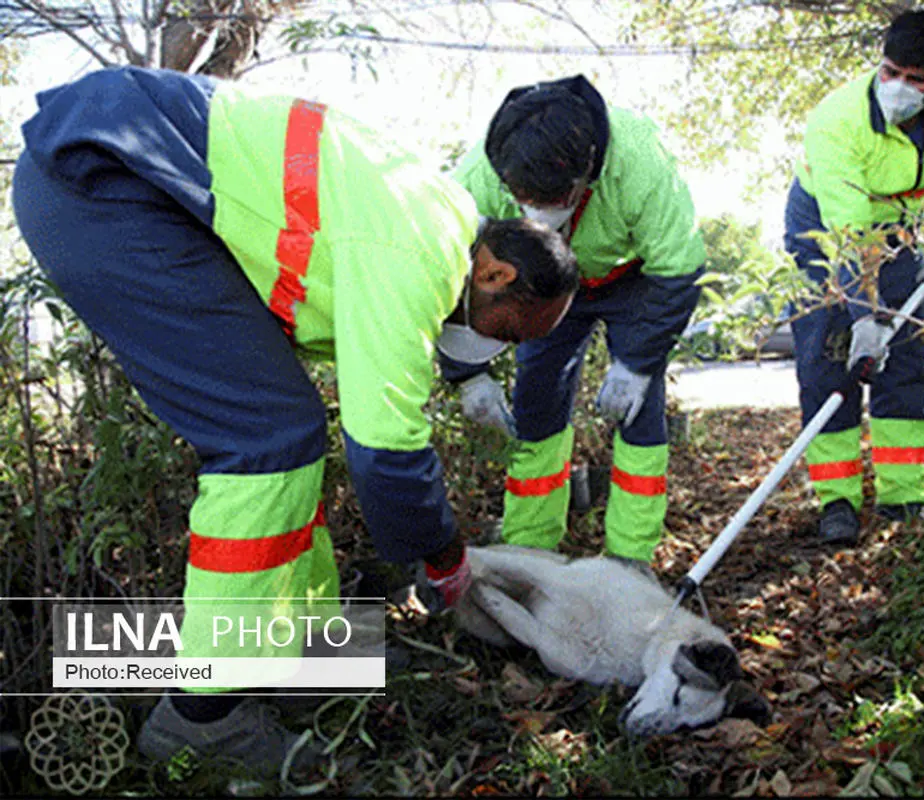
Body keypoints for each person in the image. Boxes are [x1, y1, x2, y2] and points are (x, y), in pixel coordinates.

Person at [12, 65, 578, 777]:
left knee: (290, 429)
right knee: (267, 441)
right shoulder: (417, 252)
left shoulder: (433, 215)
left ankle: (307, 651)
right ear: (496, 276)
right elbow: (387, 448)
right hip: (105, 179)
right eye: (513, 331)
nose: (501, 346)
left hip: (124, 177)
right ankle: (200, 716)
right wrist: (443, 558)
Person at [446, 75, 706, 574]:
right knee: (536, 399)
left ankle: (631, 557)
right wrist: (467, 375)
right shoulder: (478, 176)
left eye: (546, 199)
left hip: (632, 279)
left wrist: (636, 363)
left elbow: (678, 267)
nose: (533, 212)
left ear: (586, 173)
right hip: (542, 288)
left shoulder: (639, 161)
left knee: (638, 407)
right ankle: (528, 546)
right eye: (520, 196)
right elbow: (444, 273)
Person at [784, 8, 924, 545]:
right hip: (824, 224)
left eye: (916, 80)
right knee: (831, 356)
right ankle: (837, 501)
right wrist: (864, 316)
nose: (899, 87)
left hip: (904, 227)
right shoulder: (837, 119)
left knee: (906, 357)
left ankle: (903, 496)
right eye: (890, 71)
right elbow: (846, 234)